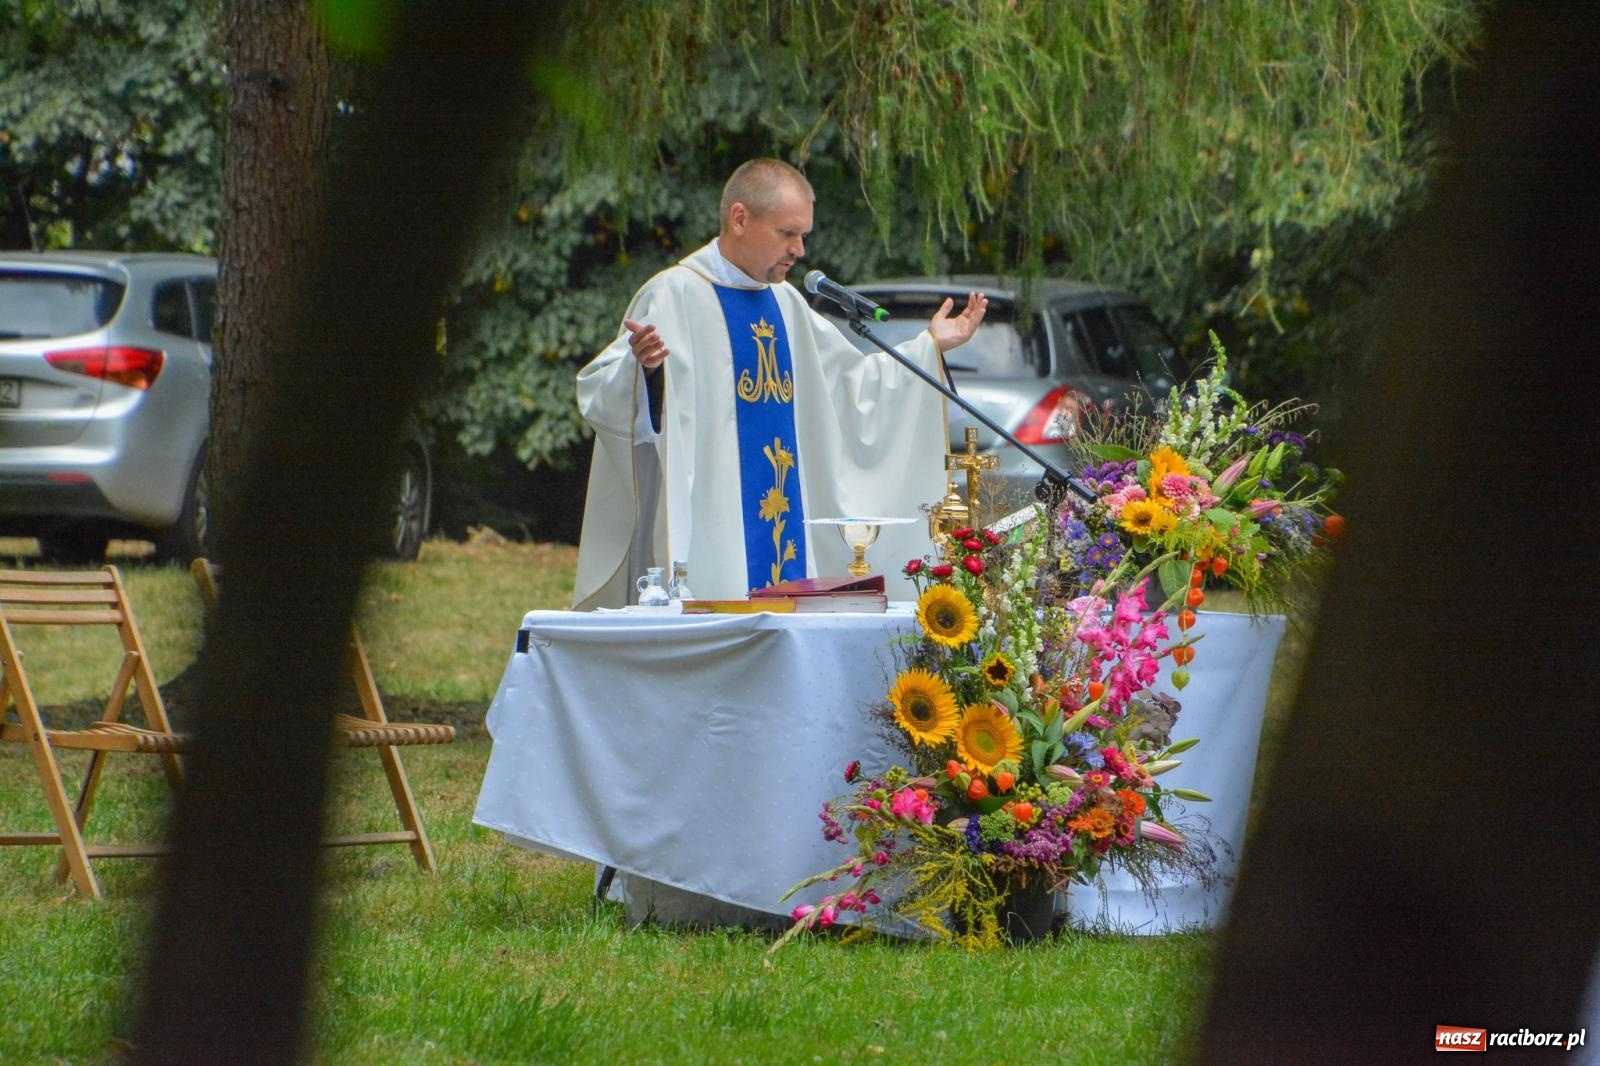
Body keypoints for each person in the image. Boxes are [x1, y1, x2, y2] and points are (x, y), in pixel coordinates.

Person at [572, 158, 988, 608]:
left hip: (786, 533)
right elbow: (600, 393)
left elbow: (855, 387)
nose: (800, 250)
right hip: (717, 537)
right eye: (787, 233)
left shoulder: (786, 304)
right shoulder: (676, 295)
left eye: (803, 235)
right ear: (739, 219)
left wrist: (929, 345)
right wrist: (644, 373)